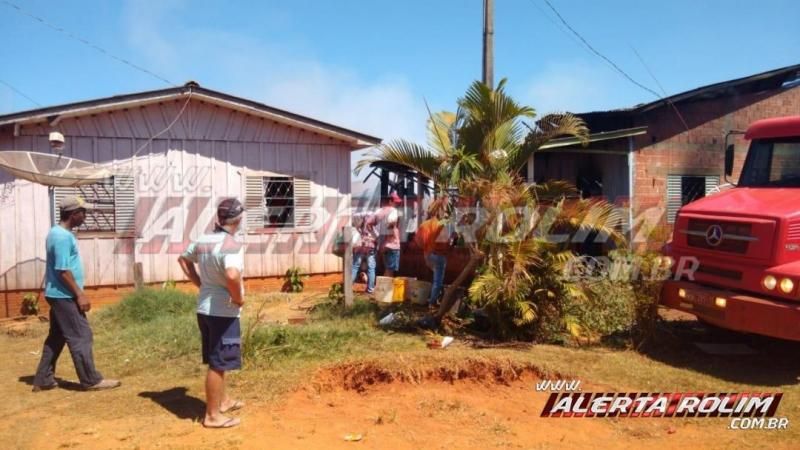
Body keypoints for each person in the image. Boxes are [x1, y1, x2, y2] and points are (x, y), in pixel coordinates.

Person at [32, 195, 121, 392]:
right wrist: (79, 294)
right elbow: (63, 270)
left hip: (57, 294)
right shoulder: (62, 237)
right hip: (64, 295)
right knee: (82, 335)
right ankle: (90, 380)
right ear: (73, 214)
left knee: (57, 336)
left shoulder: (56, 232)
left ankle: (43, 378)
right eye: (83, 212)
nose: (85, 216)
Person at [178, 198, 246, 429]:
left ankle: (223, 401)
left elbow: (184, 259)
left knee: (218, 359)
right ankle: (213, 416)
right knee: (219, 362)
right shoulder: (231, 244)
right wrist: (237, 298)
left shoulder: (203, 239)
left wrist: (200, 283)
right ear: (238, 220)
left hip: (205, 310)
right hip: (223, 313)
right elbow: (232, 275)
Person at [414, 198, 456, 308]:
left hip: (427, 255)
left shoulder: (424, 225)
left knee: (435, 277)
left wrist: (426, 248)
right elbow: (444, 245)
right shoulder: (440, 225)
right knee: (438, 280)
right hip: (438, 256)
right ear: (441, 211)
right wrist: (451, 241)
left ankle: (434, 297)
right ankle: (432, 302)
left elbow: (418, 241)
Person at [375, 192, 403, 277]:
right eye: (396, 202)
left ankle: (385, 288)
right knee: (390, 270)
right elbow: (391, 226)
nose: (397, 204)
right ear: (390, 201)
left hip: (386, 245)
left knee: (388, 269)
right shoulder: (393, 211)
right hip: (392, 245)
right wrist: (392, 236)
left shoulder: (381, 211)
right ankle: (385, 289)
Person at [352, 211, 378, 293]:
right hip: (370, 248)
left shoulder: (360, 227)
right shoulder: (372, 227)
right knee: (371, 268)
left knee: (355, 267)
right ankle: (370, 289)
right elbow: (377, 237)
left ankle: (348, 288)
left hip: (360, 248)